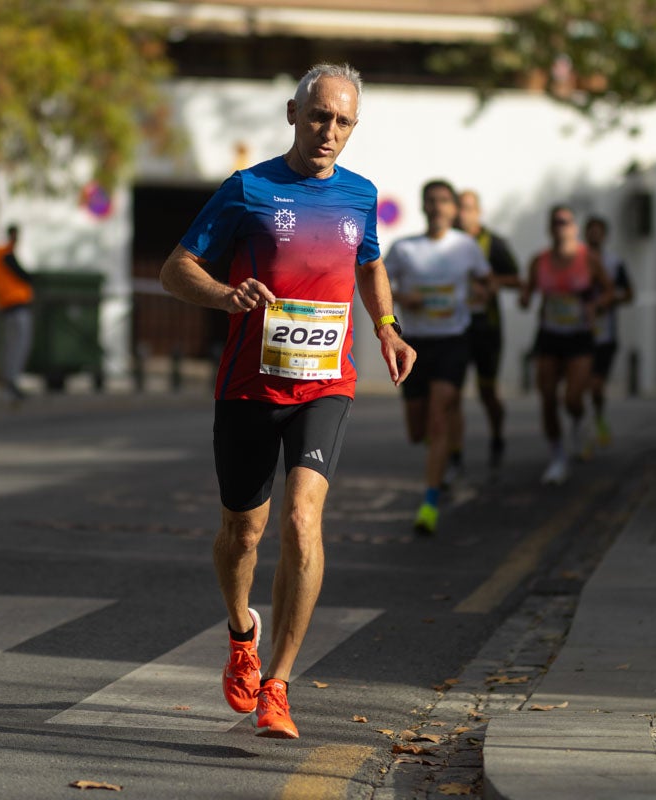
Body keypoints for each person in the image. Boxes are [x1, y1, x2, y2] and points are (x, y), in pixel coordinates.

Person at [159, 63, 415, 740]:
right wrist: (225, 295)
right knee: (242, 532)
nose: (330, 131)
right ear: (294, 114)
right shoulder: (248, 189)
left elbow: (369, 263)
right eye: (319, 116)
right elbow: (175, 269)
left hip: (325, 385)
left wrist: (386, 328)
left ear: (353, 127)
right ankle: (242, 631)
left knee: (303, 520)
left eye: (343, 121)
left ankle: (278, 684)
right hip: (248, 386)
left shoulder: (360, 196)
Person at [386, 180, 492, 535]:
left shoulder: (466, 247)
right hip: (415, 345)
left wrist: (481, 291)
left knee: (438, 415)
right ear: (423, 206)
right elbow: (379, 284)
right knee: (418, 431)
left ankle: (429, 502)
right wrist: (403, 297)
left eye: (444, 200)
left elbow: (487, 281)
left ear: (452, 208)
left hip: (452, 341)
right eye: (431, 200)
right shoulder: (404, 248)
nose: (437, 206)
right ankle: (441, 450)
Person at [519, 204, 614, 485]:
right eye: (557, 222)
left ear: (574, 227)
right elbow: (528, 293)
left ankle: (578, 422)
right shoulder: (540, 261)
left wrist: (598, 304)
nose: (562, 226)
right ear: (550, 228)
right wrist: (524, 298)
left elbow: (609, 290)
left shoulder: (589, 259)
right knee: (547, 396)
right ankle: (557, 457)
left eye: (567, 221)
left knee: (573, 397)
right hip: (549, 334)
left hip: (579, 335)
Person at [455, 189, 521, 470]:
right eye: (459, 208)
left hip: (486, 328)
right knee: (450, 393)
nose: (462, 214)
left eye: (468, 208)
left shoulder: (494, 244)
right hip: (454, 328)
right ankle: (453, 453)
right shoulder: (447, 241)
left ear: (479, 212)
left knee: (487, 392)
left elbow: (517, 279)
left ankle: (497, 436)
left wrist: (494, 283)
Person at [583, 216, 634, 446]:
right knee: (579, 386)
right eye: (590, 231)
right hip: (580, 332)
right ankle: (583, 429)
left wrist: (609, 301)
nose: (594, 235)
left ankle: (598, 418)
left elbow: (629, 294)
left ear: (605, 235)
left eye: (599, 231)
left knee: (596, 386)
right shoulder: (576, 261)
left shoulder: (614, 263)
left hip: (605, 334)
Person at [0, 224, 35, 401]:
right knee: (17, 345)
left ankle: (10, 380)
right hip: (15, 305)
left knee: (12, 345)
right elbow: (22, 274)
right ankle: (11, 381)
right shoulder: (4, 253)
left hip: (8, 305)